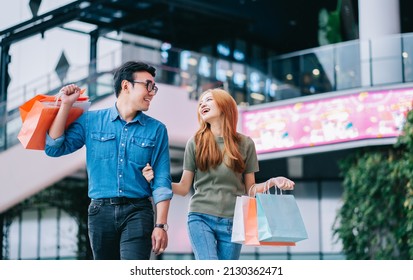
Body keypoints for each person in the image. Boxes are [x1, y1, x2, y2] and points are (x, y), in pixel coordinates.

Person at [142, 88, 294, 260]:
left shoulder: (245, 144)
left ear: (224, 105)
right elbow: (184, 188)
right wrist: (156, 181)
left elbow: (249, 189)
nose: (202, 105)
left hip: (234, 222)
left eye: (208, 100)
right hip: (200, 217)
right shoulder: (195, 142)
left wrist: (273, 182)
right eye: (200, 103)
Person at [45, 61, 172, 260]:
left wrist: (161, 225)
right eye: (148, 85)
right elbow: (54, 148)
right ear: (126, 85)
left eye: (153, 87)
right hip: (99, 212)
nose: (152, 92)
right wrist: (67, 105)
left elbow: (162, 180)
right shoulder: (91, 121)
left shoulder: (157, 130)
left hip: (138, 211)